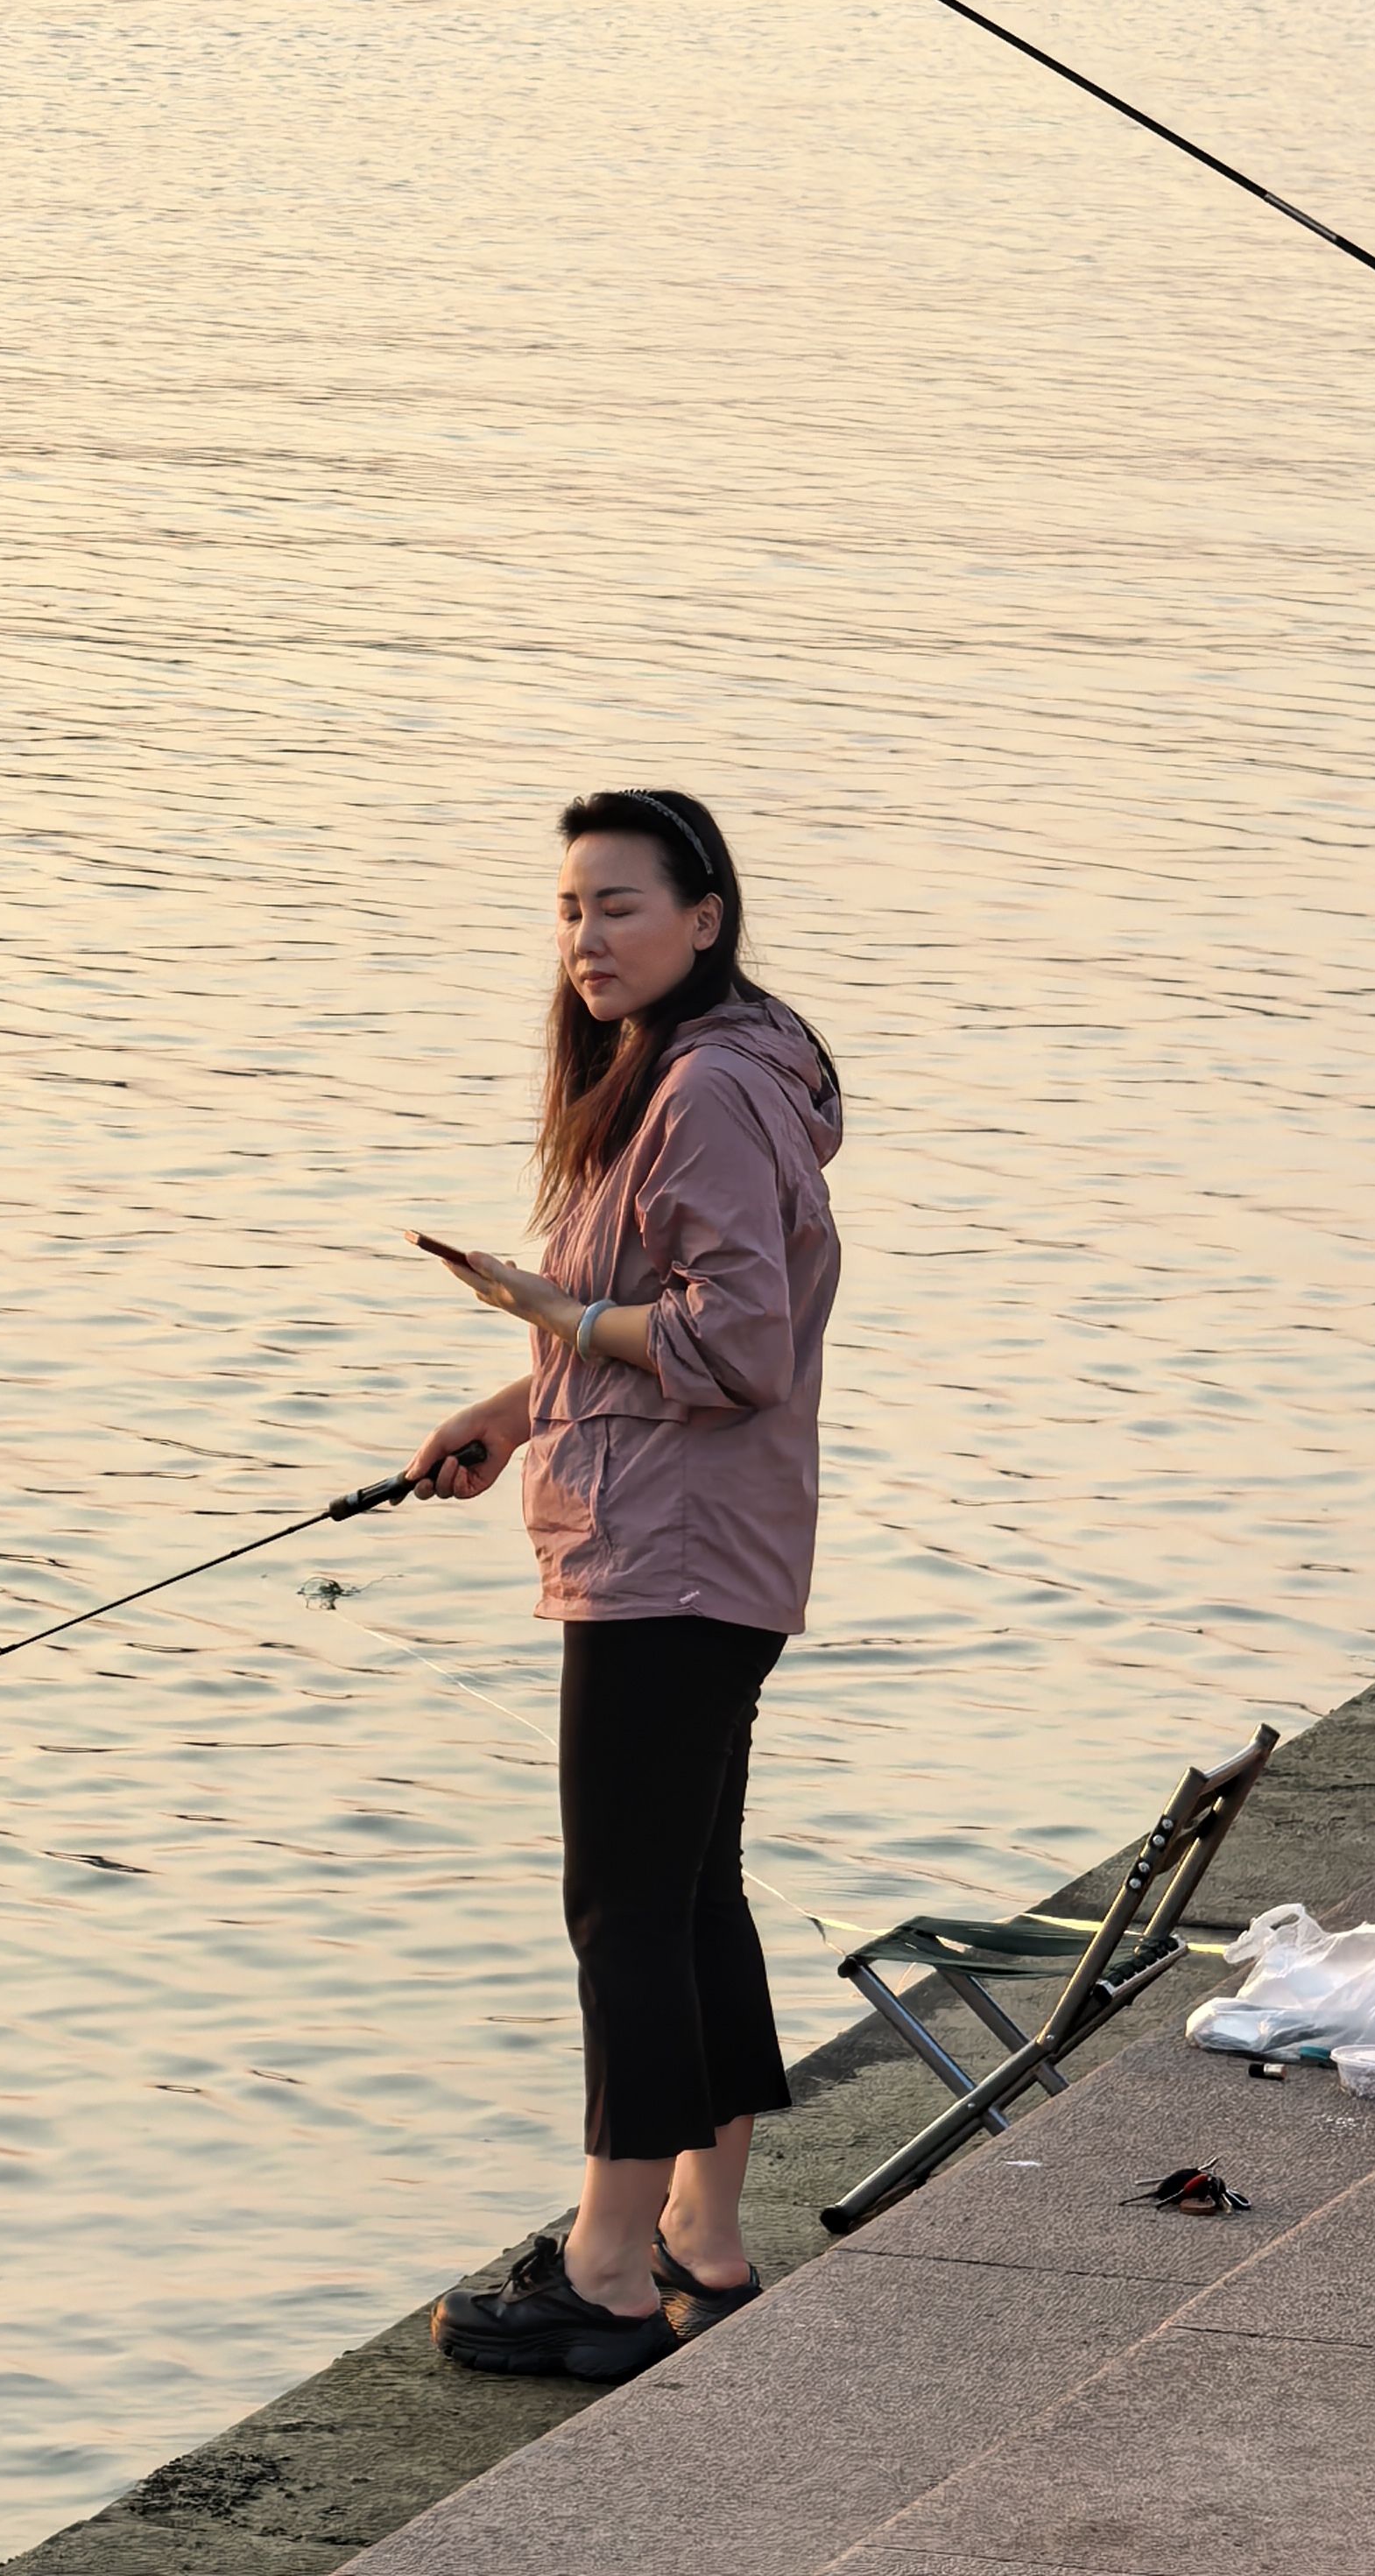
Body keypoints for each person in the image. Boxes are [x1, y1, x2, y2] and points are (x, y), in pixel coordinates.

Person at [405, 788, 841, 2382]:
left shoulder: (704, 1089)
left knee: (624, 1907)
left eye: (621, 907)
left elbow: (735, 1342)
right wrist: (518, 1405)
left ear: (704, 918)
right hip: (707, 1541)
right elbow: (657, 1312)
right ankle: (700, 2240)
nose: (587, 940)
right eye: (570, 910)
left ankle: (602, 2270)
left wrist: (550, 1316)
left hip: (669, 1553)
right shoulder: (717, 1064)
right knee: (689, 1889)